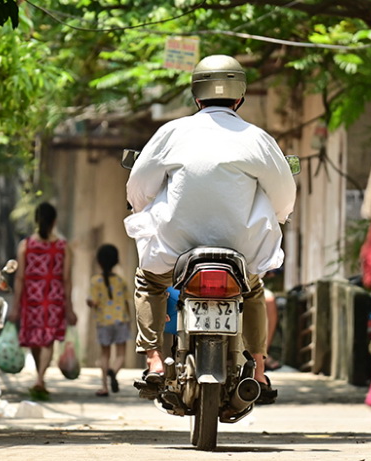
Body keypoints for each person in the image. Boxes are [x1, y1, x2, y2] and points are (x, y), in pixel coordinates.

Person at [124, 54, 297, 404]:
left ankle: (155, 360)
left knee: (149, 281)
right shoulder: (258, 139)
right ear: (241, 97)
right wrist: (278, 217)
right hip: (239, 250)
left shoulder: (171, 133)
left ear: (196, 96)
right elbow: (284, 196)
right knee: (252, 291)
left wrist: (143, 209)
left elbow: (138, 188)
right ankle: (259, 369)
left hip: (177, 248)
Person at [8, 202, 77, 401]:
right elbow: (66, 279)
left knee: (36, 340)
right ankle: (40, 378)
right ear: (54, 221)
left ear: (36, 220)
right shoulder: (63, 247)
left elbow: (19, 277)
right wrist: (69, 307)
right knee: (47, 340)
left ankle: (39, 377)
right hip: (54, 299)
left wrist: (15, 306)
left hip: (32, 299)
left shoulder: (26, 245)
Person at [86, 244, 132, 397]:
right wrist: (130, 320)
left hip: (103, 323)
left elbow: (94, 301)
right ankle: (113, 371)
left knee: (104, 354)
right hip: (121, 320)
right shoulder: (121, 281)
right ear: (116, 261)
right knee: (120, 355)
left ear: (99, 261)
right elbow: (126, 302)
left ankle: (104, 387)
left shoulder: (95, 281)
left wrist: (90, 303)